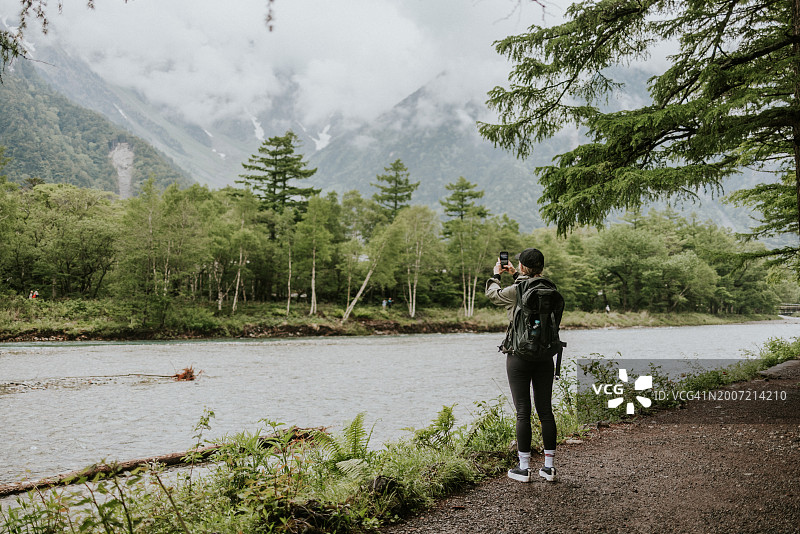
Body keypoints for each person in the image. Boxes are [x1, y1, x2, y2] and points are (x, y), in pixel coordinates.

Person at [485, 248, 558, 483]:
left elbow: (493, 295)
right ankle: (549, 468)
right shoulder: (550, 288)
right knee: (545, 410)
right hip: (545, 355)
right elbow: (530, 289)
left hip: (519, 356)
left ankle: (524, 468)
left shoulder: (516, 290)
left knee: (523, 411)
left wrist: (496, 275)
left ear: (523, 267)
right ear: (541, 267)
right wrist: (517, 274)